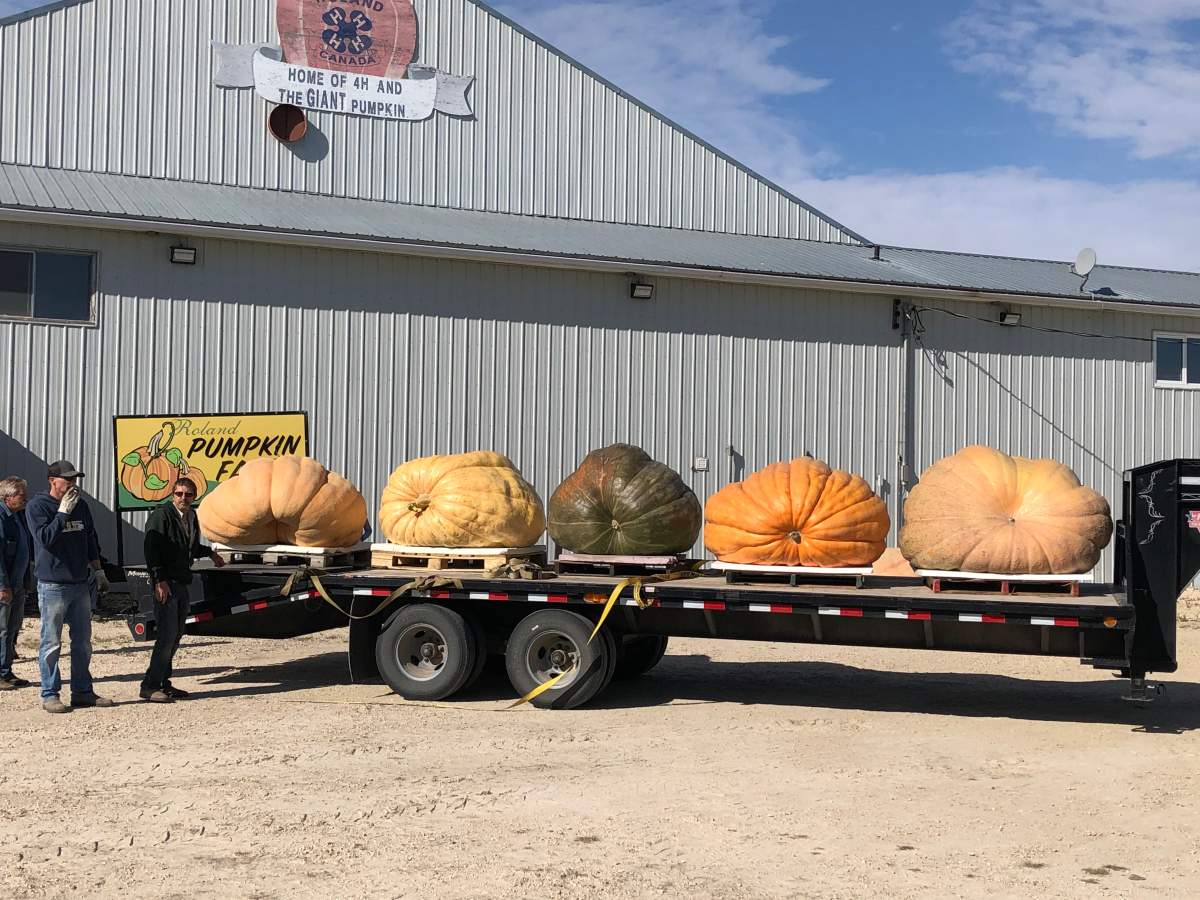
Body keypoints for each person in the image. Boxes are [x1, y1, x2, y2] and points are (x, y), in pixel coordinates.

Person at [25, 460, 112, 714]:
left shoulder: (81, 506)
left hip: (79, 583)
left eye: (75, 479)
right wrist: (62, 513)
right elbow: (44, 539)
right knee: (51, 642)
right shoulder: (37, 506)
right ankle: (50, 694)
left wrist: (98, 571)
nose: (73, 484)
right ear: (53, 481)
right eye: (68, 480)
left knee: (83, 642)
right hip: (53, 585)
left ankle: (82, 692)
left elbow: (90, 539)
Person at [140, 477, 224, 703]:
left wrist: (210, 554)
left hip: (182, 582)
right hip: (166, 584)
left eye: (188, 495)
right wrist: (159, 579)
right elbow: (151, 548)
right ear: (172, 495)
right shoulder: (162, 516)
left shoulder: (191, 517)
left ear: (194, 497)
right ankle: (149, 686)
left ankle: (163, 683)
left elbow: (190, 548)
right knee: (166, 636)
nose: (183, 498)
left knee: (176, 635)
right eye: (179, 494)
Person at [0, 477, 34, 690]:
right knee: (2, 629)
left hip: (18, 583)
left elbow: (24, 551)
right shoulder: (2, 518)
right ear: (8, 497)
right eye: (22, 496)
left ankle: (7, 670)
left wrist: (25, 581)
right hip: (5, 586)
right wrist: (3, 585)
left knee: (12, 628)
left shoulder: (17, 516)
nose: (25, 500)